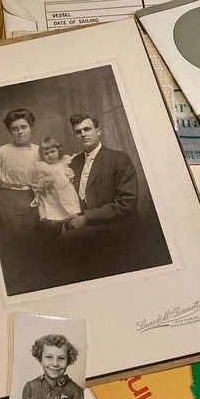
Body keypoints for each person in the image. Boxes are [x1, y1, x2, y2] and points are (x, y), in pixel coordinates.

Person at [61, 113, 139, 279]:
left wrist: (86, 218)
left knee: (65, 241)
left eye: (87, 129)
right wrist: (76, 214)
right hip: (90, 222)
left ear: (98, 131)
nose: (83, 134)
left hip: (117, 223)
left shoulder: (118, 158)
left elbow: (126, 203)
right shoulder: (75, 163)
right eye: (78, 131)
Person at [0, 108, 43, 294]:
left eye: (24, 127)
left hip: (34, 201)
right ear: (10, 131)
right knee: (11, 247)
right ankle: (15, 289)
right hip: (7, 203)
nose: (20, 132)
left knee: (35, 245)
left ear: (31, 127)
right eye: (15, 128)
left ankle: (37, 285)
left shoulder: (41, 151)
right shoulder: (0, 153)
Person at [20, 334, 84, 399]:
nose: (55, 364)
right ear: (40, 359)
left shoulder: (75, 391)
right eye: (49, 357)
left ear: (68, 361)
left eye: (61, 358)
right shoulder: (31, 386)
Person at [32, 136, 80, 225]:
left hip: (67, 191)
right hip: (54, 194)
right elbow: (39, 184)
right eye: (46, 153)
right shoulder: (43, 167)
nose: (50, 155)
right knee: (56, 211)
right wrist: (37, 196)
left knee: (71, 207)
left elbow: (76, 158)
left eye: (53, 151)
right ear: (42, 155)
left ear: (59, 150)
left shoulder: (64, 161)